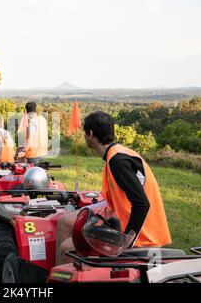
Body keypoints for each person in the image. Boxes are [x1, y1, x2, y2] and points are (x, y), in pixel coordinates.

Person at [56, 111, 171, 264]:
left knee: (66, 248)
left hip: (143, 237)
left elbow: (142, 204)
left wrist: (126, 241)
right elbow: (117, 202)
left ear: (90, 134)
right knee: (65, 221)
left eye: (84, 133)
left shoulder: (118, 161)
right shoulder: (115, 154)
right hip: (123, 223)